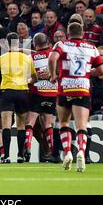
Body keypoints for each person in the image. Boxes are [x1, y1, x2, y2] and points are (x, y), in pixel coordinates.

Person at [49, 22, 103, 172]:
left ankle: (67, 152)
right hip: (82, 87)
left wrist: (53, 75)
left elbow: (51, 59)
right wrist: (88, 73)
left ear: (68, 33)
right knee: (82, 125)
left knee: (63, 122)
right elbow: (102, 71)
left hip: (65, 87)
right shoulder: (92, 48)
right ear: (82, 33)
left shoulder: (62, 45)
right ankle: (81, 151)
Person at [0, 32, 37, 163]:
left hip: (7, 92)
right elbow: (35, 78)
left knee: (6, 125)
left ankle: (7, 155)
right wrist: (27, 82)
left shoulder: (1, 58)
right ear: (19, 43)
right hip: (22, 92)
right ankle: (20, 155)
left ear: (6, 43)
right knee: (21, 125)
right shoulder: (27, 58)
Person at [25, 33, 58, 163]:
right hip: (52, 92)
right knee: (48, 123)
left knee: (30, 121)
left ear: (34, 43)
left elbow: (27, 76)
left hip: (36, 92)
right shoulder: (54, 55)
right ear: (48, 42)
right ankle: (51, 151)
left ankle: (27, 148)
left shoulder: (30, 57)